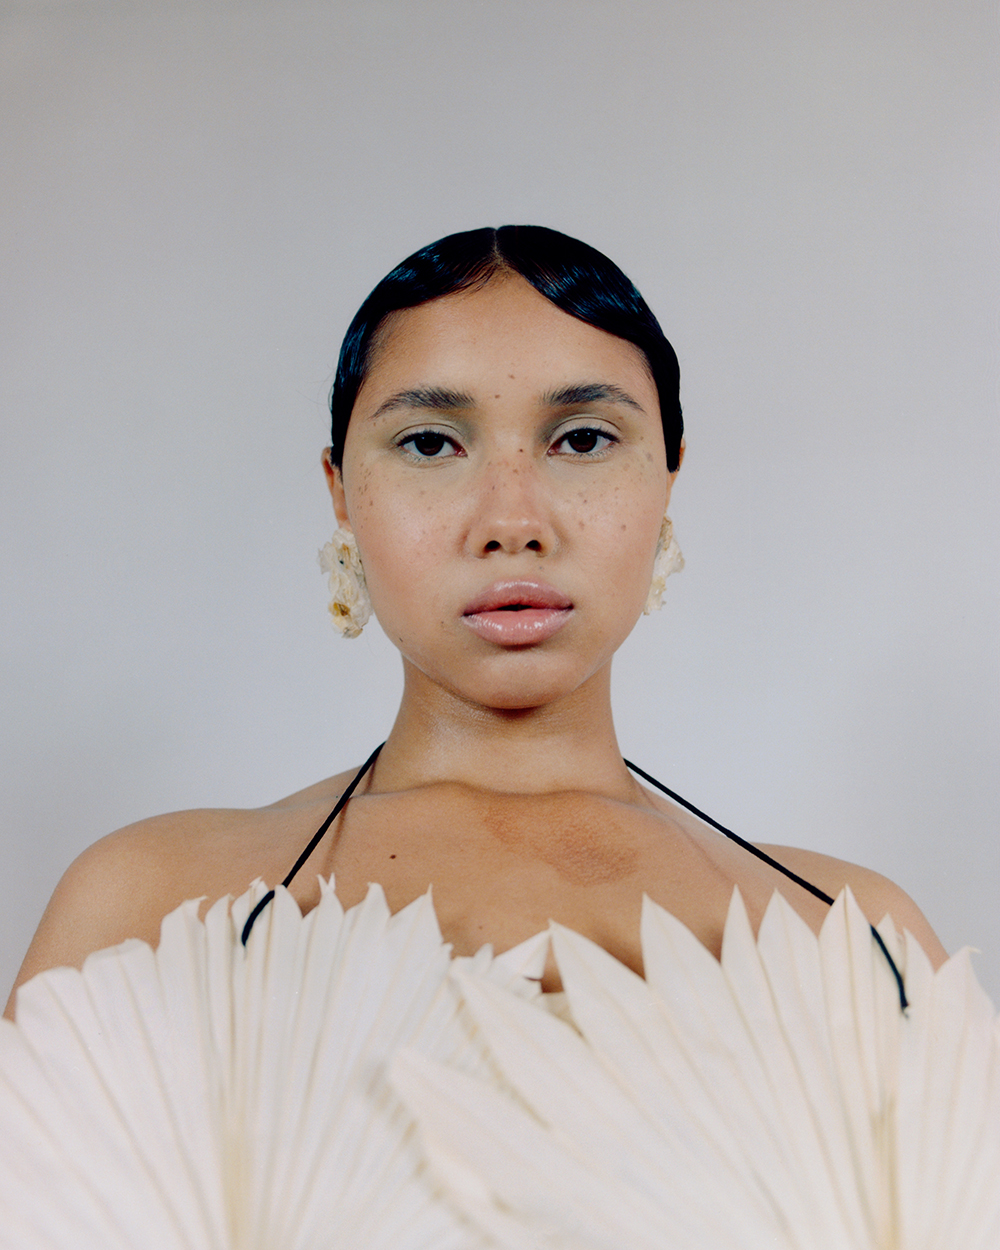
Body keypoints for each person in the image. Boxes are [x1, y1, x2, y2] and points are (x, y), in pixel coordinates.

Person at [3, 225, 946, 1020]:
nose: (512, 523)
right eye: (429, 443)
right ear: (341, 492)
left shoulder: (862, 941)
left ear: (669, 475)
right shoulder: (148, 908)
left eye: (583, 439)